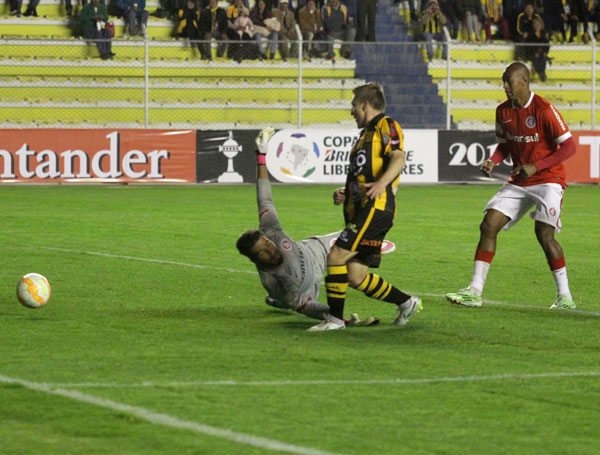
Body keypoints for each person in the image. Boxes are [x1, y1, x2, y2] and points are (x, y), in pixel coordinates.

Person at [446, 62, 577, 310]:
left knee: (544, 234)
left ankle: (565, 297)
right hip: (520, 180)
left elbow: (569, 147)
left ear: (524, 81)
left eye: (509, 81)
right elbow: (505, 146)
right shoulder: (502, 111)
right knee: (488, 224)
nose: (505, 86)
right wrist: (493, 160)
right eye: (503, 82)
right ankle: (474, 291)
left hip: (548, 180)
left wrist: (536, 166)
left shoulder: (544, 109)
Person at [236, 127, 382, 327]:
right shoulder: (276, 281)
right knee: (289, 302)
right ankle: (277, 302)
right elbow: (308, 307)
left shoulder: (271, 230)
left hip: (317, 249)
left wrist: (261, 156)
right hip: (307, 289)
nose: (271, 250)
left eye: (268, 244)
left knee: (361, 233)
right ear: (254, 260)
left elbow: (264, 199)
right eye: (263, 253)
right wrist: (345, 321)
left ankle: (404, 300)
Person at [308, 82, 422, 332]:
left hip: (376, 208)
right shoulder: (364, 135)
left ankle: (334, 320)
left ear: (364, 105)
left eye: (353, 106)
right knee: (355, 275)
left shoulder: (386, 125)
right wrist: (347, 192)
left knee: (336, 255)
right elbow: (364, 172)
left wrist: (382, 183)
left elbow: (399, 158)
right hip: (363, 208)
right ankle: (407, 302)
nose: (351, 111)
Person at [525, 17, 550, 81]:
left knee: (543, 58)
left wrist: (544, 52)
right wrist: (535, 53)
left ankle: (541, 73)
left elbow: (547, 45)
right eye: (535, 24)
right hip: (531, 52)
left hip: (541, 53)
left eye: (538, 24)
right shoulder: (530, 34)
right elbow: (528, 46)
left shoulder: (544, 33)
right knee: (536, 58)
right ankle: (541, 74)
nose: (537, 25)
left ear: (541, 25)